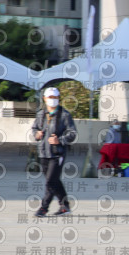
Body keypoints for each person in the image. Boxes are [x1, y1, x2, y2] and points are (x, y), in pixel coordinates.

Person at [31, 87, 77, 217]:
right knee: (54, 180)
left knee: (50, 182)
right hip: (43, 152)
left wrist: (59, 140)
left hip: (57, 154)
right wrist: (37, 134)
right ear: (45, 98)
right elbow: (34, 128)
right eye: (50, 97)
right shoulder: (41, 114)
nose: (53, 100)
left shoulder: (65, 115)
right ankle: (65, 206)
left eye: (55, 97)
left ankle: (44, 208)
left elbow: (72, 133)